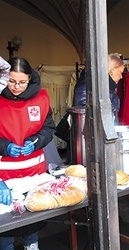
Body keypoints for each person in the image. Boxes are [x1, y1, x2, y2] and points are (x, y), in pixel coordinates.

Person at [0, 57, 56, 250]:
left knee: (32, 219)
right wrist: (4, 146)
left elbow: (49, 129)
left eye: (22, 82)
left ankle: (31, 245)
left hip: (34, 173)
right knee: (5, 225)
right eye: (11, 81)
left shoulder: (40, 98)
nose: (16, 87)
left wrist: (35, 142)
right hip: (4, 177)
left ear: (30, 79)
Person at [72, 53, 124, 125]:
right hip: (93, 134)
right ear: (112, 70)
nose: (121, 77)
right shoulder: (88, 84)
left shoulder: (108, 87)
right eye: (120, 72)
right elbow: (83, 112)